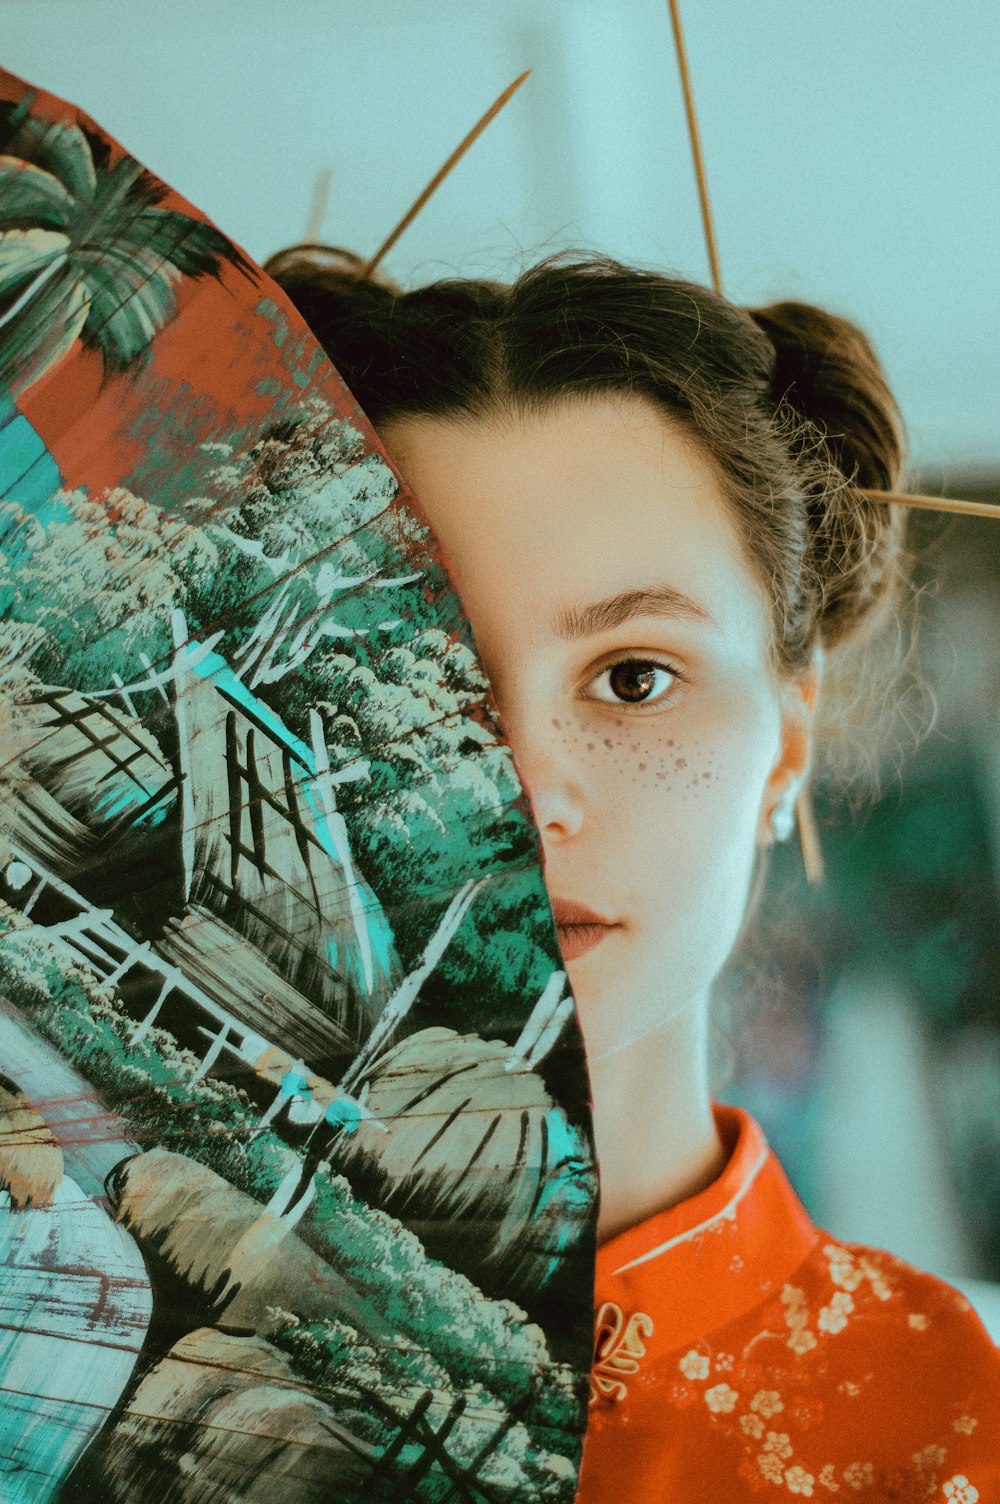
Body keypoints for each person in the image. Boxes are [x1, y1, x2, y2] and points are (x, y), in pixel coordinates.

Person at [265, 245, 1000, 1499]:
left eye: (633, 676)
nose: (524, 788)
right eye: (428, 664)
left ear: (787, 744)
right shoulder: (73, 1331)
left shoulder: (954, 1437)